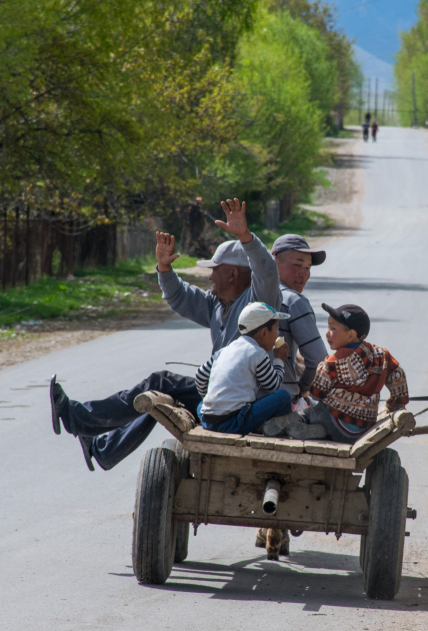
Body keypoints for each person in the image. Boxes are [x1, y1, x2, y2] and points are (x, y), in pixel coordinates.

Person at [49, 198, 281, 471]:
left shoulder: (257, 304)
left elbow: (266, 272)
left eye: (214, 271)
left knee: (160, 382)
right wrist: (165, 269)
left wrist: (245, 237)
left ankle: (79, 419)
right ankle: (105, 449)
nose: (209, 277)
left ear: (232, 274)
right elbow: (181, 297)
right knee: (159, 398)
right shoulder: (217, 304)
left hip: (241, 401)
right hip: (221, 393)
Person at [268, 303, 410, 443]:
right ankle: (308, 424)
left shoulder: (332, 363)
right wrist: (395, 404)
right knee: (321, 409)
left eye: (332, 328)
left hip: (334, 424)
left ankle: (307, 424)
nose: (327, 332)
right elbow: (397, 376)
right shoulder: (382, 355)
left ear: (351, 336)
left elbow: (317, 394)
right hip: (362, 429)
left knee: (318, 409)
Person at [194, 302, 292, 435]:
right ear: (264, 332)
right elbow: (273, 385)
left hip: (208, 421)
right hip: (235, 423)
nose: (276, 334)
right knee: (283, 396)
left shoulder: (224, 350)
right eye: (275, 329)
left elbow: (200, 376)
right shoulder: (257, 353)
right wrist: (279, 359)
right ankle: (270, 428)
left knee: (202, 405)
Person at [269, 234, 327, 400]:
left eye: (308, 268)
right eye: (297, 265)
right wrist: (302, 388)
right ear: (274, 261)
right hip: (279, 398)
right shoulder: (293, 301)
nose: (304, 274)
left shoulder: (246, 294)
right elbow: (319, 362)